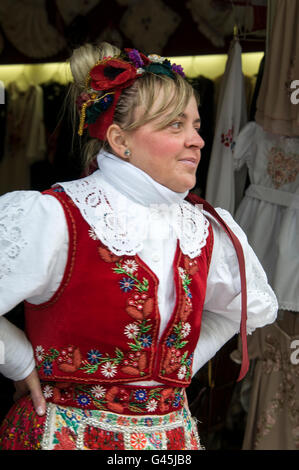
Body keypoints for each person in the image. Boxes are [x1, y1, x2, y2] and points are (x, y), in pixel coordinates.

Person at [0, 42, 277, 451]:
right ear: (119, 139)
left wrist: (176, 370)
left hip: (172, 441)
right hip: (64, 436)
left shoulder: (204, 228)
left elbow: (242, 310)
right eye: (174, 125)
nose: (197, 141)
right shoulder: (58, 217)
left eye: (196, 125)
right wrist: (19, 360)